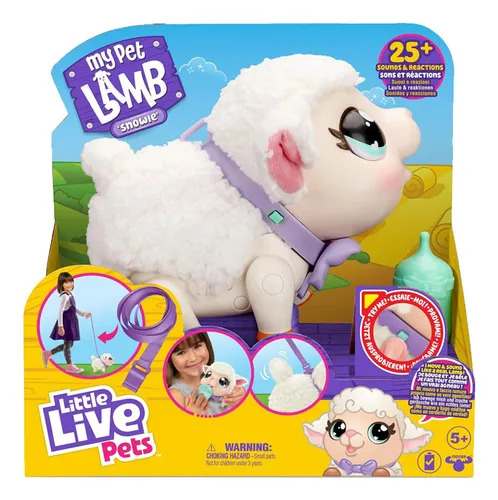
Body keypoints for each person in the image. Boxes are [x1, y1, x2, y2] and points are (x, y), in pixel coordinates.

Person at [165, 332, 245, 415]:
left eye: (197, 346)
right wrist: (191, 416)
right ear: (169, 358)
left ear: (207, 345)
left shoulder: (216, 374)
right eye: (181, 352)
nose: (193, 358)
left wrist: (239, 396)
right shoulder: (176, 395)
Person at [42, 272, 92, 374]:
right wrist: (60, 326)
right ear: (61, 284)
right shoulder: (64, 296)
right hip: (66, 322)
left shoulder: (70, 294)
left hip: (72, 321)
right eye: (66, 282)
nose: (69, 284)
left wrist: (83, 314)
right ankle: (69, 366)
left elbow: (74, 308)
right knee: (68, 344)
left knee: (69, 344)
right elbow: (60, 311)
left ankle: (48, 353)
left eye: (71, 281)